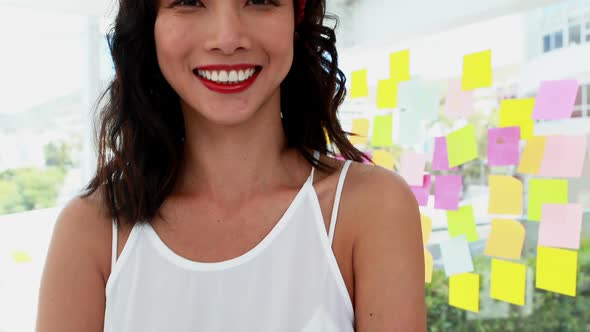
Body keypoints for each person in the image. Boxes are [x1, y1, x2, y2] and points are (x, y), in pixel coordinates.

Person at [36, 0, 426, 330]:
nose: (227, 38)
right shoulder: (91, 230)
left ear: (297, 16)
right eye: (189, 0)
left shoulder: (373, 209)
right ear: (149, 22)